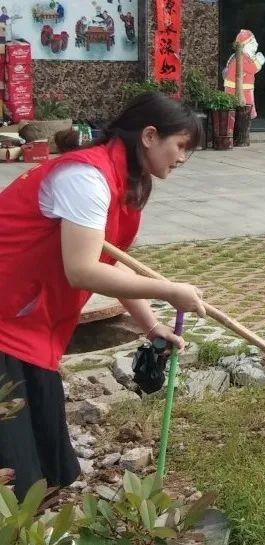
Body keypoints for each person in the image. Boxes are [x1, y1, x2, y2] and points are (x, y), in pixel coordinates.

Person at [0, 92, 207, 500]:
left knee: (46, 469)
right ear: (150, 136)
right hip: (8, 319)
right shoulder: (86, 178)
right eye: (180, 145)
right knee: (16, 473)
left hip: (31, 325)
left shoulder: (124, 182)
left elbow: (111, 262)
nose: (183, 158)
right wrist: (168, 291)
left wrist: (151, 325)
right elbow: (83, 269)